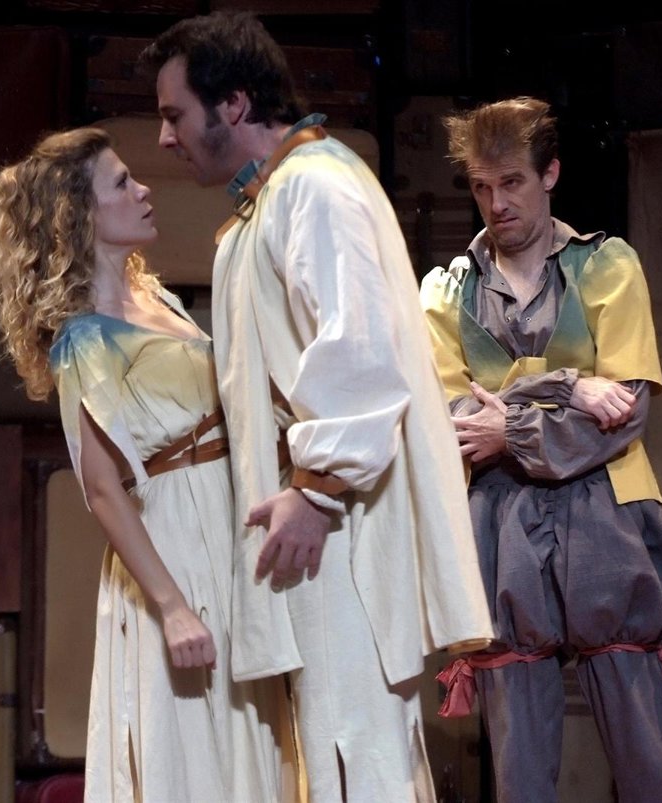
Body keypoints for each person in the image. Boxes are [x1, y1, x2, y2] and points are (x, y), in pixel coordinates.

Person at [140, 12, 494, 801]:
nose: (165, 138)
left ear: (233, 102)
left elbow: (358, 345)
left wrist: (318, 488)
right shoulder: (273, 199)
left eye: (173, 115)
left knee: (356, 754)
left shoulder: (315, 186)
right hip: (316, 521)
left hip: (339, 525)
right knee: (338, 751)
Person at [0, 128, 292, 802]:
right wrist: (173, 607)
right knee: (193, 748)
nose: (144, 189)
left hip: (224, 521)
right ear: (79, 213)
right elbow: (101, 487)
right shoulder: (84, 335)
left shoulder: (155, 298)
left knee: (245, 738)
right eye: (122, 182)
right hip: (176, 539)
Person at [420, 96, 662, 802]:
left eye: (511, 182)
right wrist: (570, 384)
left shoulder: (605, 265)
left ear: (549, 174)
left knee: (645, 753)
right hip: (501, 521)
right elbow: (454, 422)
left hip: (608, 512)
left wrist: (510, 425)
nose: (496, 203)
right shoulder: (446, 292)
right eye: (481, 186)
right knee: (519, 764)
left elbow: (624, 413)